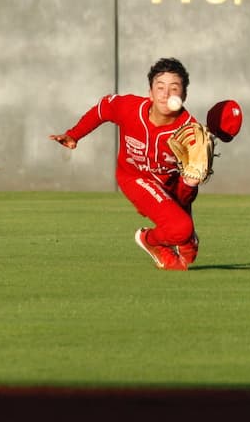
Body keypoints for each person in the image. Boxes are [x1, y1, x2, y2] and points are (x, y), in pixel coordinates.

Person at [50, 57, 204, 271]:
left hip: (170, 186)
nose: (166, 94)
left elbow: (185, 196)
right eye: (160, 87)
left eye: (174, 88)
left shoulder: (191, 133)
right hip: (134, 177)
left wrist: (191, 183)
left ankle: (182, 238)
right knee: (181, 229)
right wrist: (74, 135)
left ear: (184, 95)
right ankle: (150, 239)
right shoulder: (130, 108)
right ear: (150, 92)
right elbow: (102, 110)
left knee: (188, 253)